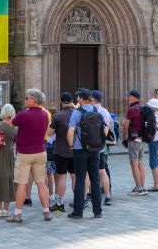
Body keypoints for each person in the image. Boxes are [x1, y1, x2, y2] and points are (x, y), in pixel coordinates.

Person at [8, 88, 53, 223]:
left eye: (27, 98)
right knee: (41, 183)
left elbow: (11, 124)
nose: (25, 100)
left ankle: (17, 213)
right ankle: (46, 212)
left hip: (25, 153)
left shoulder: (23, 114)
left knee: (21, 183)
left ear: (33, 99)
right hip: (40, 151)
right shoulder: (45, 114)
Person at [66, 88, 107, 219]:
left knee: (80, 180)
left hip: (80, 150)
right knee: (95, 179)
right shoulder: (96, 111)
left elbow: (71, 131)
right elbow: (105, 128)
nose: (77, 98)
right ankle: (98, 211)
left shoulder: (77, 113)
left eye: (78, 97)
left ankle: (78, 212)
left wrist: (71, 146)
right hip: (95, 149)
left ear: (82, 99)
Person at [48, 92, 75, 213]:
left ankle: (60, 203)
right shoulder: (77, 113)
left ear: (61, 102)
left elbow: (49, 133)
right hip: (75, 150)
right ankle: (78, 200)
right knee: (75, 176)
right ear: (71, 101)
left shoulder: (58, 116)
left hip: (61, 150)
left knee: (62, 177)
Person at [89, 90, 113, 206]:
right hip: (100, 146)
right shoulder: (105, 112)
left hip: (88, 147)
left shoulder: (88, 110)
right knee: (102, 171)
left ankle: (86, 196)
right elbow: (106, 131)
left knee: (87, 172)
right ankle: (107, 196)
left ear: (92, 99)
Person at [122, 90, 147, 196]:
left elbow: (126, 125)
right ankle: (142, 186)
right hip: (142, 139)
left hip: (133, 139)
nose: (128, 98)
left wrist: (124, 137)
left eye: (129, 96)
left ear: (134, 97)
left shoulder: (131, 109)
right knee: (140, 163)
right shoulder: (142, 108)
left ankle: (139, 188)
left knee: (134, 164)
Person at [146, 98, 158, 192]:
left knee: (153, 164)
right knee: (157, 163)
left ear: (154, 107)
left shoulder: (154, 117)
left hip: (154, 141)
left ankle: (156, 185)